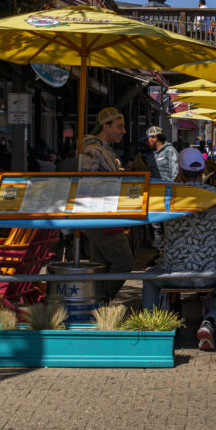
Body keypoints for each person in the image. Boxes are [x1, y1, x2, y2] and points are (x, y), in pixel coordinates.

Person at [141, 149, 216, 350]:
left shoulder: (169, 195)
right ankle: (210, 321)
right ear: (204, 169)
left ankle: (150, 328)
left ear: (180, 170)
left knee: (148, 278)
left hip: (174, 272)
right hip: (210, 273)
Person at [80, 107, 134, 302]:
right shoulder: (94, 150)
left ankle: (94, 307)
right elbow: (84, 180)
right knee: (124, 262)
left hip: (102, 215)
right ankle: (101, 302)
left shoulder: (104, 150)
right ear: (105, 126)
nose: (123, 131)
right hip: (102, 215)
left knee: (99, 266)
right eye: (119, 126)